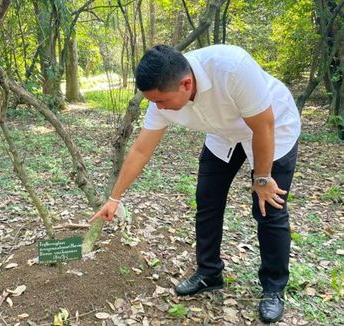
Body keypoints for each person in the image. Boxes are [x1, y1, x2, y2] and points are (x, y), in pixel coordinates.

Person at [89, 44, 301, 323]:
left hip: (272, 128)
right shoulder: (162, 96)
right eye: (153, 102)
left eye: (162, 101)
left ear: (186, 84)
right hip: (223, 135)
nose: (158, 108)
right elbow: (141, 150)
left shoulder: (232, 67)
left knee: (267, 208)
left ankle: (273, 288)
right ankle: (209, 272)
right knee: (207, 201)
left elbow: (263, 126)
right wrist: (114, 198)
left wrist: (262, 178)